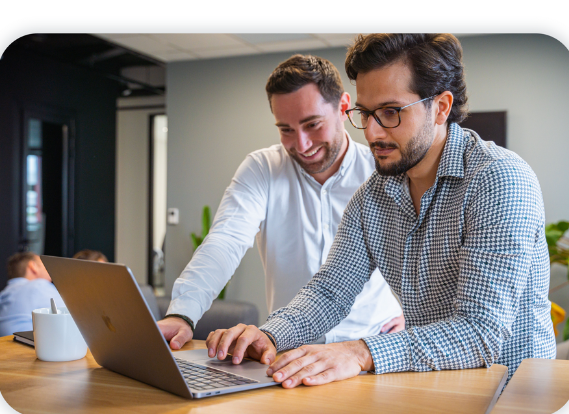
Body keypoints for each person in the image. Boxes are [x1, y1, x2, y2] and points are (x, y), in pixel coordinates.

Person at [205, 33, 556, 388]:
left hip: (513, 396)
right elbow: (330, 292)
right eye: (365, 113)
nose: (372, 132)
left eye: (390, 112)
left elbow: (479, 332)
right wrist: (270, 336)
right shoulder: (373, 196)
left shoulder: (499, 180)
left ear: (441, 107)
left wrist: (358, 353)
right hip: (433, 388)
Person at [158, 54, 404, 350]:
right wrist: (182, 312)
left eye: (312, 124)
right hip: (289, 346)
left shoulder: (383, 171)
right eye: (286, 129)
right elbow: (225, 240)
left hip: (372, 348)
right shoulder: (262, 168)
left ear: (342, 107)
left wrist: (412, 313)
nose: (301, 145)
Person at [0, 252, 65, 337]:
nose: (50, 270)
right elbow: (75, 318)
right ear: (33, 266)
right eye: (45, 265)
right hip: (29, 347)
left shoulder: (3, 294)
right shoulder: (39, 285)